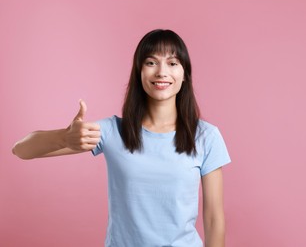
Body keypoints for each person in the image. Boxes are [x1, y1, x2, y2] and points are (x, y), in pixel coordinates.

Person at [12, 29, 231, 247]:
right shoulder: (112, 131)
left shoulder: (206, 137)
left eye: (172, 63)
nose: (162, 72)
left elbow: (213, 219)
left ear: (185, 74)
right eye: (151, 62)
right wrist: (64, 137)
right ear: (138, 72)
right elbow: (21, 150)